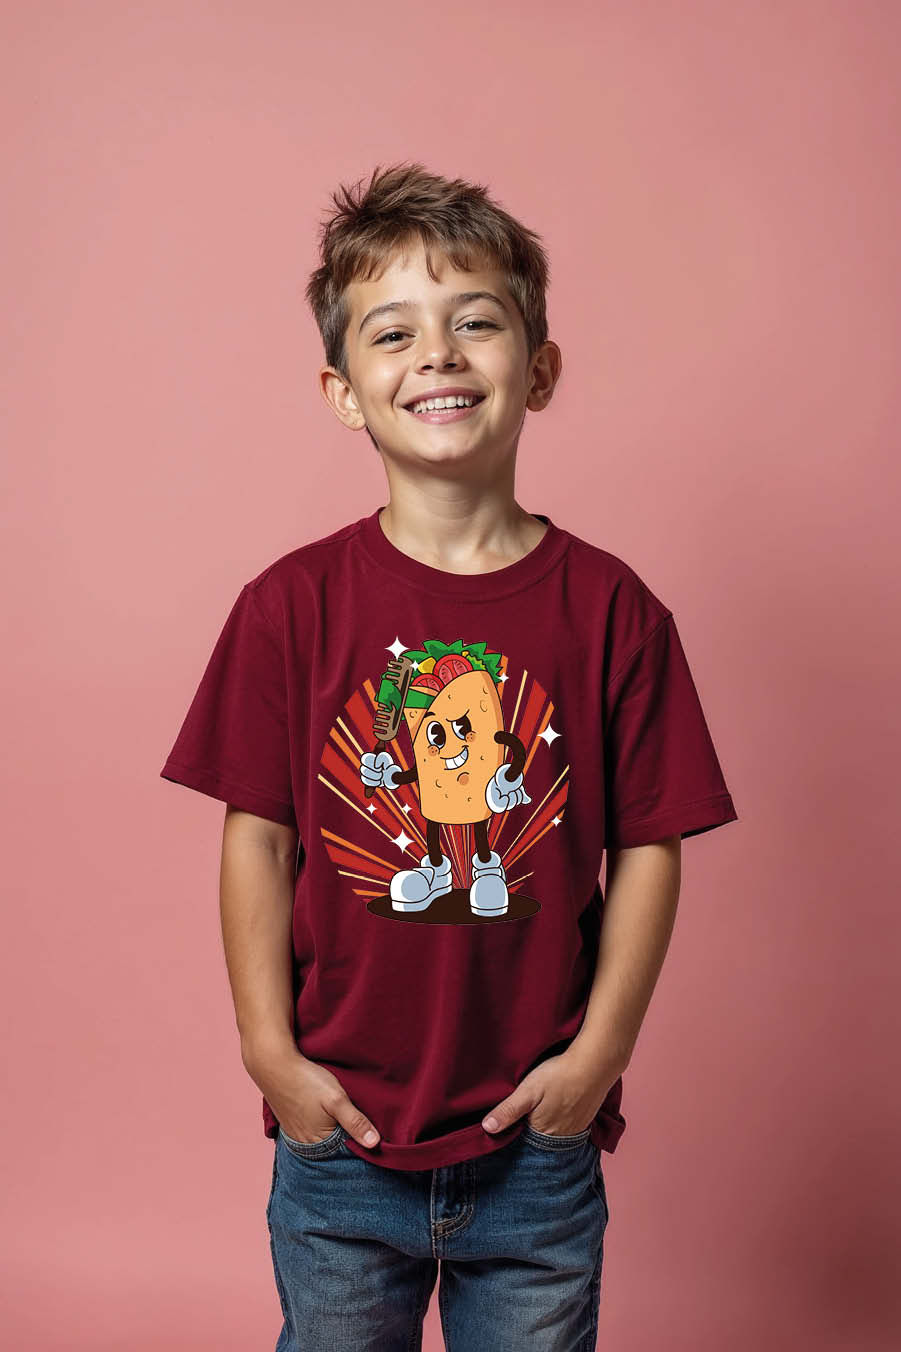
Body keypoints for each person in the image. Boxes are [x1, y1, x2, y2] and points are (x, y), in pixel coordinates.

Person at [160, 161, 738, 1351]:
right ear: (342, 390)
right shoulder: (289, 606)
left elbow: (650, 845)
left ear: (540, 367)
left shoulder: (614, 611)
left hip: (537, 1139)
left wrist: (599, 1057)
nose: (437, 353)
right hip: (341, 1135)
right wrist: (268, 1051)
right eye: (394, 332)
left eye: (475, 320)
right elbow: (257, 839)